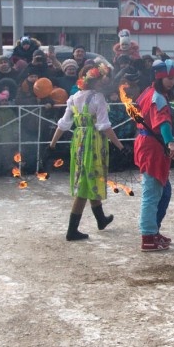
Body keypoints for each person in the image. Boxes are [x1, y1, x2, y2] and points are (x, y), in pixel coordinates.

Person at [49, 63, 126, 241]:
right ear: (96, 81)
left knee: (88, 177)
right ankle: (72, 230)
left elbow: (63, 124)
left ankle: (101, 219)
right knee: (85, 183)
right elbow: (104, 126)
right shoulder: (98, 98)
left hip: (79, 141)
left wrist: (52, 145)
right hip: (94, 141)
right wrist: (120, 146)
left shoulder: (74, 97)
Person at [134, 59, 174, 252]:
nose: (172, 82)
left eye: (173, 78)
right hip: (152, 147)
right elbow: (163, 123)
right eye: (168, 78)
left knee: (163, 191)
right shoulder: (157, 97)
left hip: (150, 144)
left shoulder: (150, 92)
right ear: (159, 77)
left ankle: (154, 230)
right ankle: (148, 237)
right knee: (152, 193)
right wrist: (170, 143)